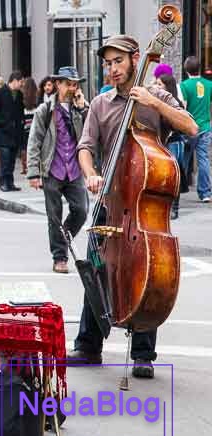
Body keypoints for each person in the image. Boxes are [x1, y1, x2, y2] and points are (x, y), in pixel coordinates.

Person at [68, 35, 198, 378]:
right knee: (96, 269)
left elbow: (191, 126)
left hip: (141, 208)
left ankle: (142, 353)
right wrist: (92, 174)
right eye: (107, 63)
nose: (112, 69)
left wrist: (155, 104)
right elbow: (85, 146)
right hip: (111, 200)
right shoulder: (99, 104)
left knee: (146, 267)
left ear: (136, 59)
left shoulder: (156, 95)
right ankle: (88, 344)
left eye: (118, 62)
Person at [26, 67, 89, 274]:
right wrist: (34, 173)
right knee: (54, 216)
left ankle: (63, 238)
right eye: (69, 83)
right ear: (58, 84)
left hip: (75, 168)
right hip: (52, 169)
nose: (73, 88)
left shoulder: (80, 108)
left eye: (75, 84)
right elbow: (34, 141)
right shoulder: (45, 110)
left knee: (81, 210)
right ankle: (59, 257)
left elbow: (92, 132)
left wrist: (83, 108)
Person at [180, 56, 212, 203]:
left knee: (183, 160)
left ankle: (178, 191)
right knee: (203, 160)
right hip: (205, 127)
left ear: (186, 69)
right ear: (199, 68)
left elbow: (184, 108)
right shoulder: (209, 84)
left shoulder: (184, 86)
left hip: (190, 129)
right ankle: (205, 193)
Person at [157, 73, 188, 220]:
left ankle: (174, 208)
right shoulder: (156, 102)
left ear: (167, 87)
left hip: (174, 143)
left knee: (173, 177)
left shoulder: (175, 103)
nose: (157, 87)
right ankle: (165, 207)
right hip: (162, 144)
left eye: (160, 84)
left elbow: (182, 126)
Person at [0, 71, 25, 192]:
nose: (22, 84)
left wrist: (21, 123)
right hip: (4, 133)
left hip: (15, 133)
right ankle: (3, 183)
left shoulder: (19, 95)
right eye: (20, 82)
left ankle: (10, 183)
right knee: (5, 159)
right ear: (14, 80)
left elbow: (20, 111)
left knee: (12, 160)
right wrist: (3, 123)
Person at [19, 77, 38, 175]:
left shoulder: (22, 97)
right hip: (33, 125)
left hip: (25, 125)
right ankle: (32, 166)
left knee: (24, 147)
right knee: (33, 147)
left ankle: (24, 167)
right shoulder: (36, 97)